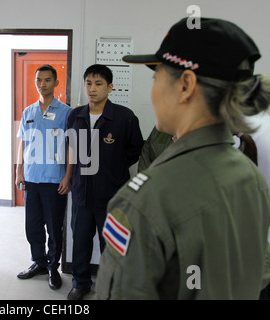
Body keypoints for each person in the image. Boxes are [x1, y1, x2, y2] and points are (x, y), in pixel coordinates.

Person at [95, 17, 270, 299]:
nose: (153, 92)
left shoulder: (144, 200)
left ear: (186, 84)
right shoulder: (251, 177)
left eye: (156, 78)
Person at [66, 64, 143, 300]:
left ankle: (110, 285)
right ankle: (80, 283)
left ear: (110, 87)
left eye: (98, 84)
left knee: (111, 245)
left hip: (112, 195)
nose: (92, 88)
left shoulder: (124, 117)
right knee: (79, 242)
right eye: (88, 83)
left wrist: (113, 169)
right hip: (81, 193)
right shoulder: (75, 115)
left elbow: (135, 150)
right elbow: (71, 148)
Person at [15, 64, 72, 290]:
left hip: (54, 180)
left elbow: (71, 146)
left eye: (47, 80)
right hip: (32, 179)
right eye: (39, 80)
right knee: (33, 225)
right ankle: (38, 262)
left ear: (56, 83)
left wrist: (67, 176)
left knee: (54, 226)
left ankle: (53, 267)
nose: (42, 84)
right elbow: (22, 143)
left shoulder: (66, 112)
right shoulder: (28, 112)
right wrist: (18, 171)